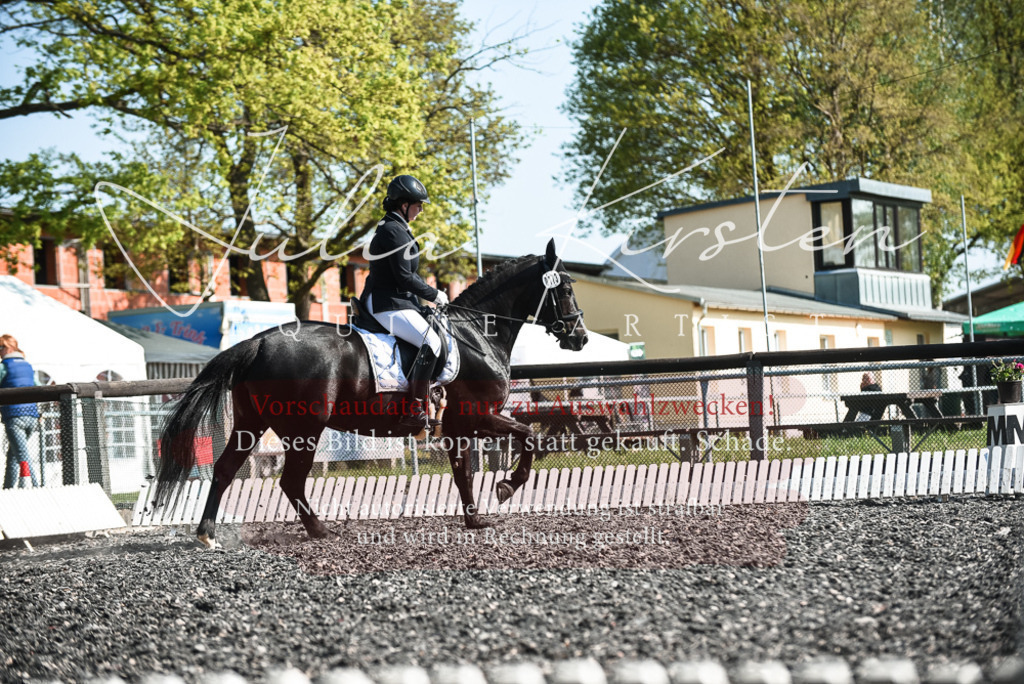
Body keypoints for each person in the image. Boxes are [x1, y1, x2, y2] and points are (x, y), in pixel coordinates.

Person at [359, 175, 448, 430]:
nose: (421, 210)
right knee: (431, 342)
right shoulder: (392, 230)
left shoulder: (398, 228)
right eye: (418, 205)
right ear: (404, 204)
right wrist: (434, 294)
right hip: (387, 303)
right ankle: (414, 408)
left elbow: (409, 275)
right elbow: (404, 276)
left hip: (399, 301)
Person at [0, 334, 40, 488]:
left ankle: (34, 487)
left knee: (23, 457)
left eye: (0, 348)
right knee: (14, 454)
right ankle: (7, 489)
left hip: (14, 416)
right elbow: (37, 386)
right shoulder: (27, 366)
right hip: (32, 415)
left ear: (8, 348)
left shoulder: (4, 366)